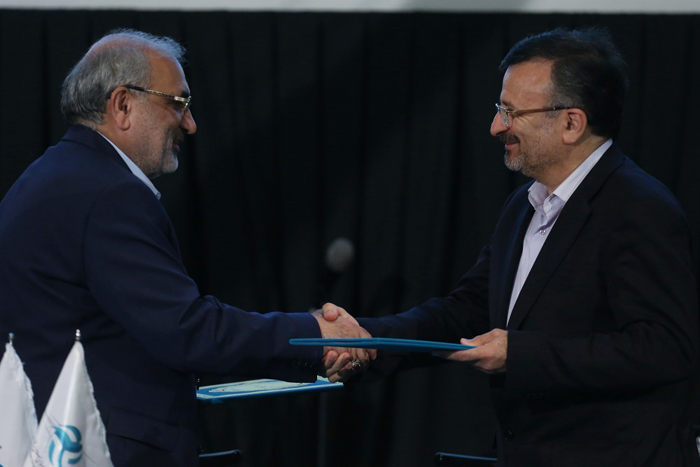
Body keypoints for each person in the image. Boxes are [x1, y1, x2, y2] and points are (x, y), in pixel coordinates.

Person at [323, 28, 700, 466]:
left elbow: (664, 348)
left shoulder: (639, 207)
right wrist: (370, 339)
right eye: (498, 109)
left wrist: (519, 354)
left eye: (511, 112)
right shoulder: (523, 206)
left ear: (571, 123)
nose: (496, 126)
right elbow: (466, 312)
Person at [0, 29, 373, 466]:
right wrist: (314, 334)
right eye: (178, 103)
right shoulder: (106, 192)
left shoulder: (47, 178)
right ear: (123, 105)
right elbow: (186, 330)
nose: (190, 124)